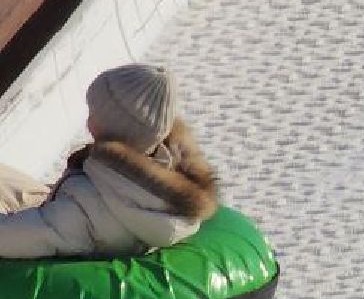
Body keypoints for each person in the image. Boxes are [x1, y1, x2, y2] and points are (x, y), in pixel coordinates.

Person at [0, 64, 218, 259]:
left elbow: (32, 234)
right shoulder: (157, 177)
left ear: (112, 127)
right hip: (69, 212)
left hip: (53, 224)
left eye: (94, 112)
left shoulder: (88, 206)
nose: (88, 118)